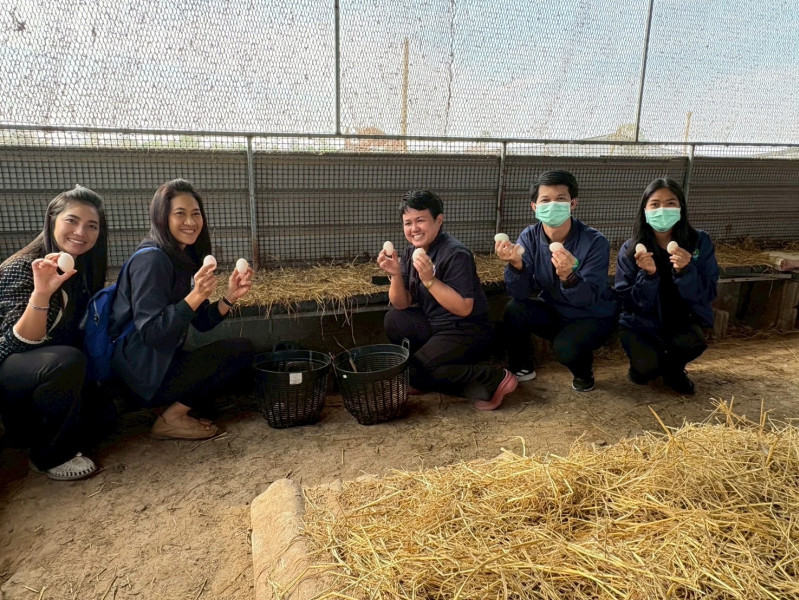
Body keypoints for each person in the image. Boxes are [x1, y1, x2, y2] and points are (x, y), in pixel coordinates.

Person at [110, 179, 255, 439]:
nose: (191, 221)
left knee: (216, 394)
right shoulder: (152, 260)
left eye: (196, 214)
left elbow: (201, 322)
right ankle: (170, 419)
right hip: (143, 374)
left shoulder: (182, 257)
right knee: (239, 352)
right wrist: (196, 295)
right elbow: (151, 333)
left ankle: (167, 407)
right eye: (180, 213)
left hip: (161, 364)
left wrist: (230, 297)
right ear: (162, 217)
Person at [0, 186, 108, 480]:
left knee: (104, 421)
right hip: (12, 366)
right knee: (66, 360)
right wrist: (41, 294)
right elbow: (14, 344)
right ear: (52, 220)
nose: (81, 232)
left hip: (45, 368)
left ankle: (34, 434)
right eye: (72, 220)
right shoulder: (23, 267)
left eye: (92, 225)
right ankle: (48, 456)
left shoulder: (81, 268)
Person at [377, 189, 517, 411]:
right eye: (408, 223)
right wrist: (394, 274)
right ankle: (430, 369)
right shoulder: (411, 252)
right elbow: (401, 303)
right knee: (394, 319)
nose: (414, 228)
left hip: (466, 329)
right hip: (435, 324)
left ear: (439, 220)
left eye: (420, 220)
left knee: (413, 372)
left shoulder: (455, 254)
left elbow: (464, 308)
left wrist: (429, 280)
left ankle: (493, 379)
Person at [497, 169, 617, 392]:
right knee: (514, 309)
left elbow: (588, 297)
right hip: (555, 310)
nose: (553, 205)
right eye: (545, 200)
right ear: (534, 206)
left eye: (560, 199)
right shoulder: (529, 237)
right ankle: (521, 367)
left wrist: (569, 277)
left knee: (565, 347)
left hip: (590, 315)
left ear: (573, 203)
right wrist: (516, 266)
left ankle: (584, 373)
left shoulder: (595, 242)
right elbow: (519, 293)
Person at [615, 178, 718, 395]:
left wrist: (686, 271)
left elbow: (708, 292)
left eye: (670, 203)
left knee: (692, 343)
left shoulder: (699, 242)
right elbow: (627, 301)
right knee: (645, 371)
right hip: (640, 323)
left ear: (681, 208)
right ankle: (645, 366)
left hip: (681, 320)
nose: (662, 210)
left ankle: (673, 370)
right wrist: (648, 276)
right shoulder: (631, 249)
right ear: (645, 210)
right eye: (655, 204)